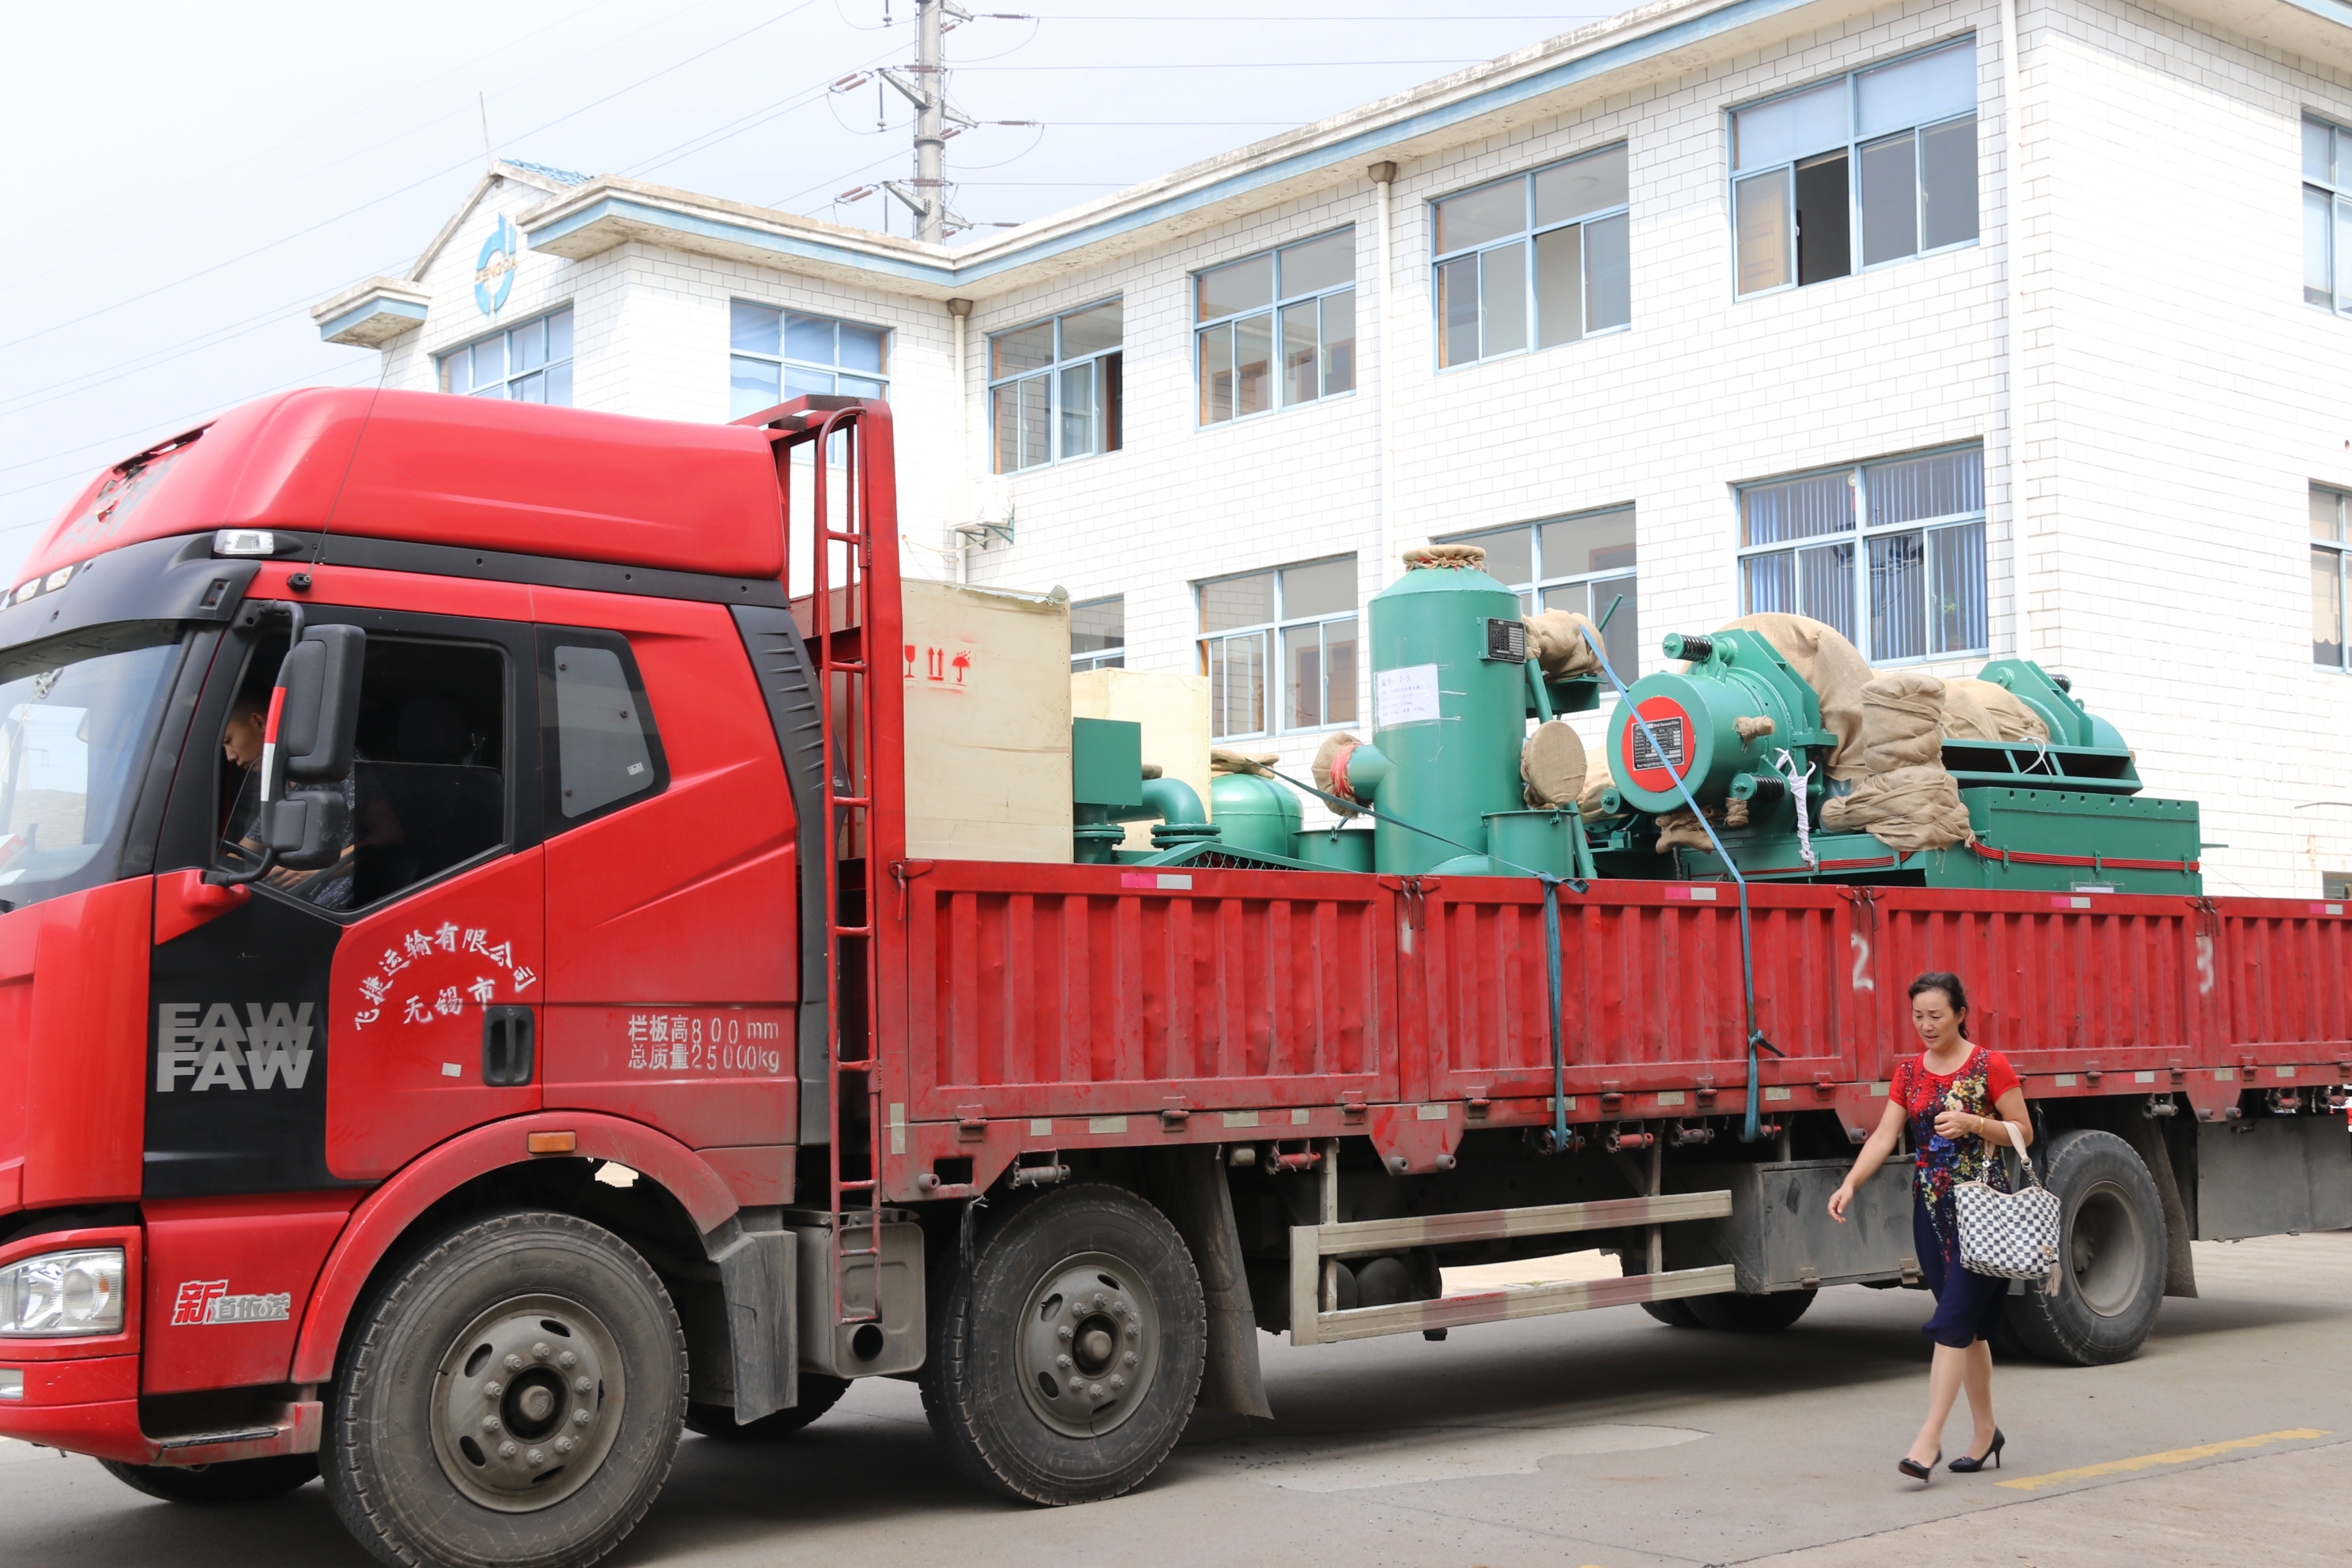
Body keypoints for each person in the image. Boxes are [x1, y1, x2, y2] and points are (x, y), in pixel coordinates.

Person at [1829, 971, 2031, 1483]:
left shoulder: (1990, 1065)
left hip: (1984, 1213)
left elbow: (2023, 1131)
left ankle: (1928, 1441)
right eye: (1918, 1016)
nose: (1926, 1025)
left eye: (1936, 1015)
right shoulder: (1908, 1072)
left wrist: (1973, 1123)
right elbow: (1883, 1136)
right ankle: (1986, 1432)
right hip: (1932, 1213)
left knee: (1951, 1324)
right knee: (1970, 1329)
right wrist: (1851, 1183)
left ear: (1960, 1014)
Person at [220, 681, 358, 910]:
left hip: (345, 907)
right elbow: (241, 853)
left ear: (259, 722)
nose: (230, 756)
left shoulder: (338, 766)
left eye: (229, 741)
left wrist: (313, 871)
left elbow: (389, 835)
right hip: (303, 904)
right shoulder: (280, 788)